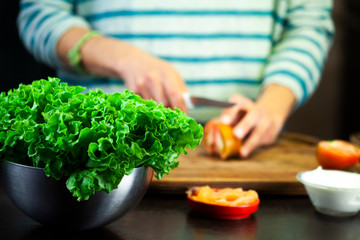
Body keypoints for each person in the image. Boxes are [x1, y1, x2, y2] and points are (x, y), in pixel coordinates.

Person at [17, 0, 334, 158]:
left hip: (250, 154)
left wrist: (273, 105)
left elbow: (308, 25)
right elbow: (41, 13)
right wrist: (122, 58)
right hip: (101, 159)